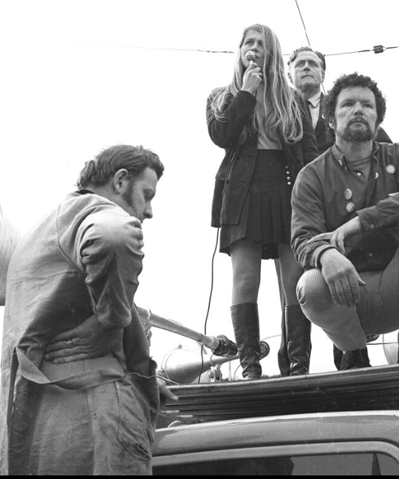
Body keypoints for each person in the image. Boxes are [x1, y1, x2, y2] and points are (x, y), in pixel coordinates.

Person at [0, 144, 175, 475]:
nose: (149, 211)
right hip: (96, 414)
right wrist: (111, 322)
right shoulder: (96, 212)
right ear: (120, 181)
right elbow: (112, 236)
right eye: (147, 194)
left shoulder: (46, 231)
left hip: (42, 422)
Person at [290, 72, 399, 370]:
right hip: (346, 298)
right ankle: (354, 351)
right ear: (330, 119)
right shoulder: (311, 176)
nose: (357, 110)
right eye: (347, 104)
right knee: (309, 285)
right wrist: (326, 255)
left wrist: (361, 221)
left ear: (378, 119)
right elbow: (302, 240)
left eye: (367, 105)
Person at [206, 24, 318, 379]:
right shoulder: (221, 96)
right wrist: (247, 93)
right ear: (239, 51)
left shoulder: (292, 99)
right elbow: (221, 135)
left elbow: (310, 154)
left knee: (294, 279)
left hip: (288, 191)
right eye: (248, 43)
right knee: (245, 278)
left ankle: (299, 365)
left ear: (272, 53)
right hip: (242, 192)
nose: (253, 48)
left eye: (261, 44)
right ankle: (250, 365)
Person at [277, 47, 390, 375]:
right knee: (295, 286)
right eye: (300, 64)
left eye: (314, 64)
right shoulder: (277, 110)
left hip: (341, 215)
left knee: (338, 278)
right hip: (293, 211)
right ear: (289, 73)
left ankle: (352, 357)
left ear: (324, 73)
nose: (307, 69)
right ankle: (296, 368)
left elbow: (376, 144)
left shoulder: (343, 108)